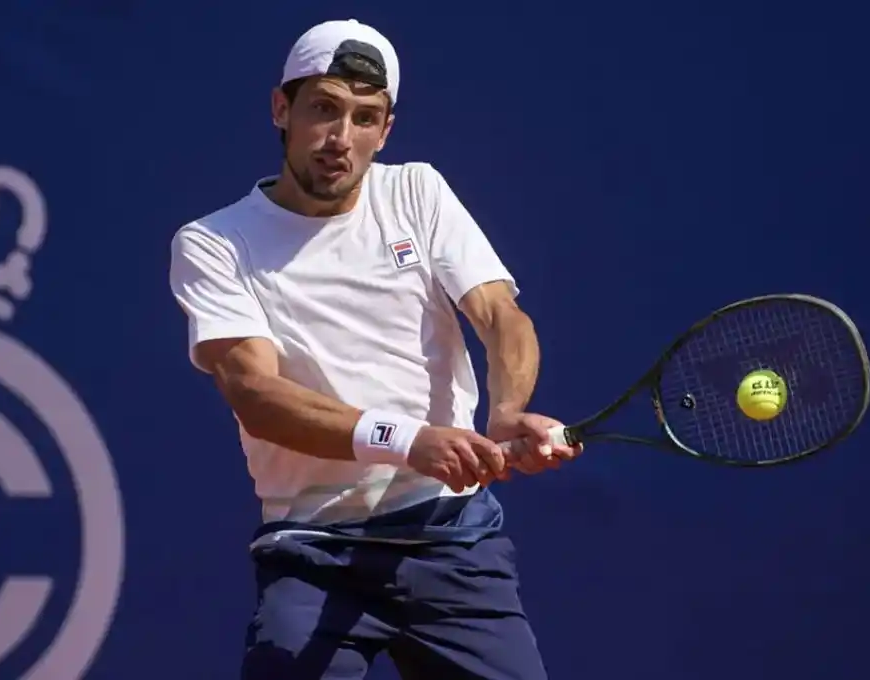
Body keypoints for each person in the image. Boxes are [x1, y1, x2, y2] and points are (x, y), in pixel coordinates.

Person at [168, 18, 582, 680]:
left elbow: (501, 315)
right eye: (324, 109)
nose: (341, 139)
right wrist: (409, 440)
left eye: (366, 117)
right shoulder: (216, 244)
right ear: (282, 108)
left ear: (385, 130)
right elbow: (254, 392)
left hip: (453, 540)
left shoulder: (416, 192)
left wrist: (506, 414)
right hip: (313, 550)